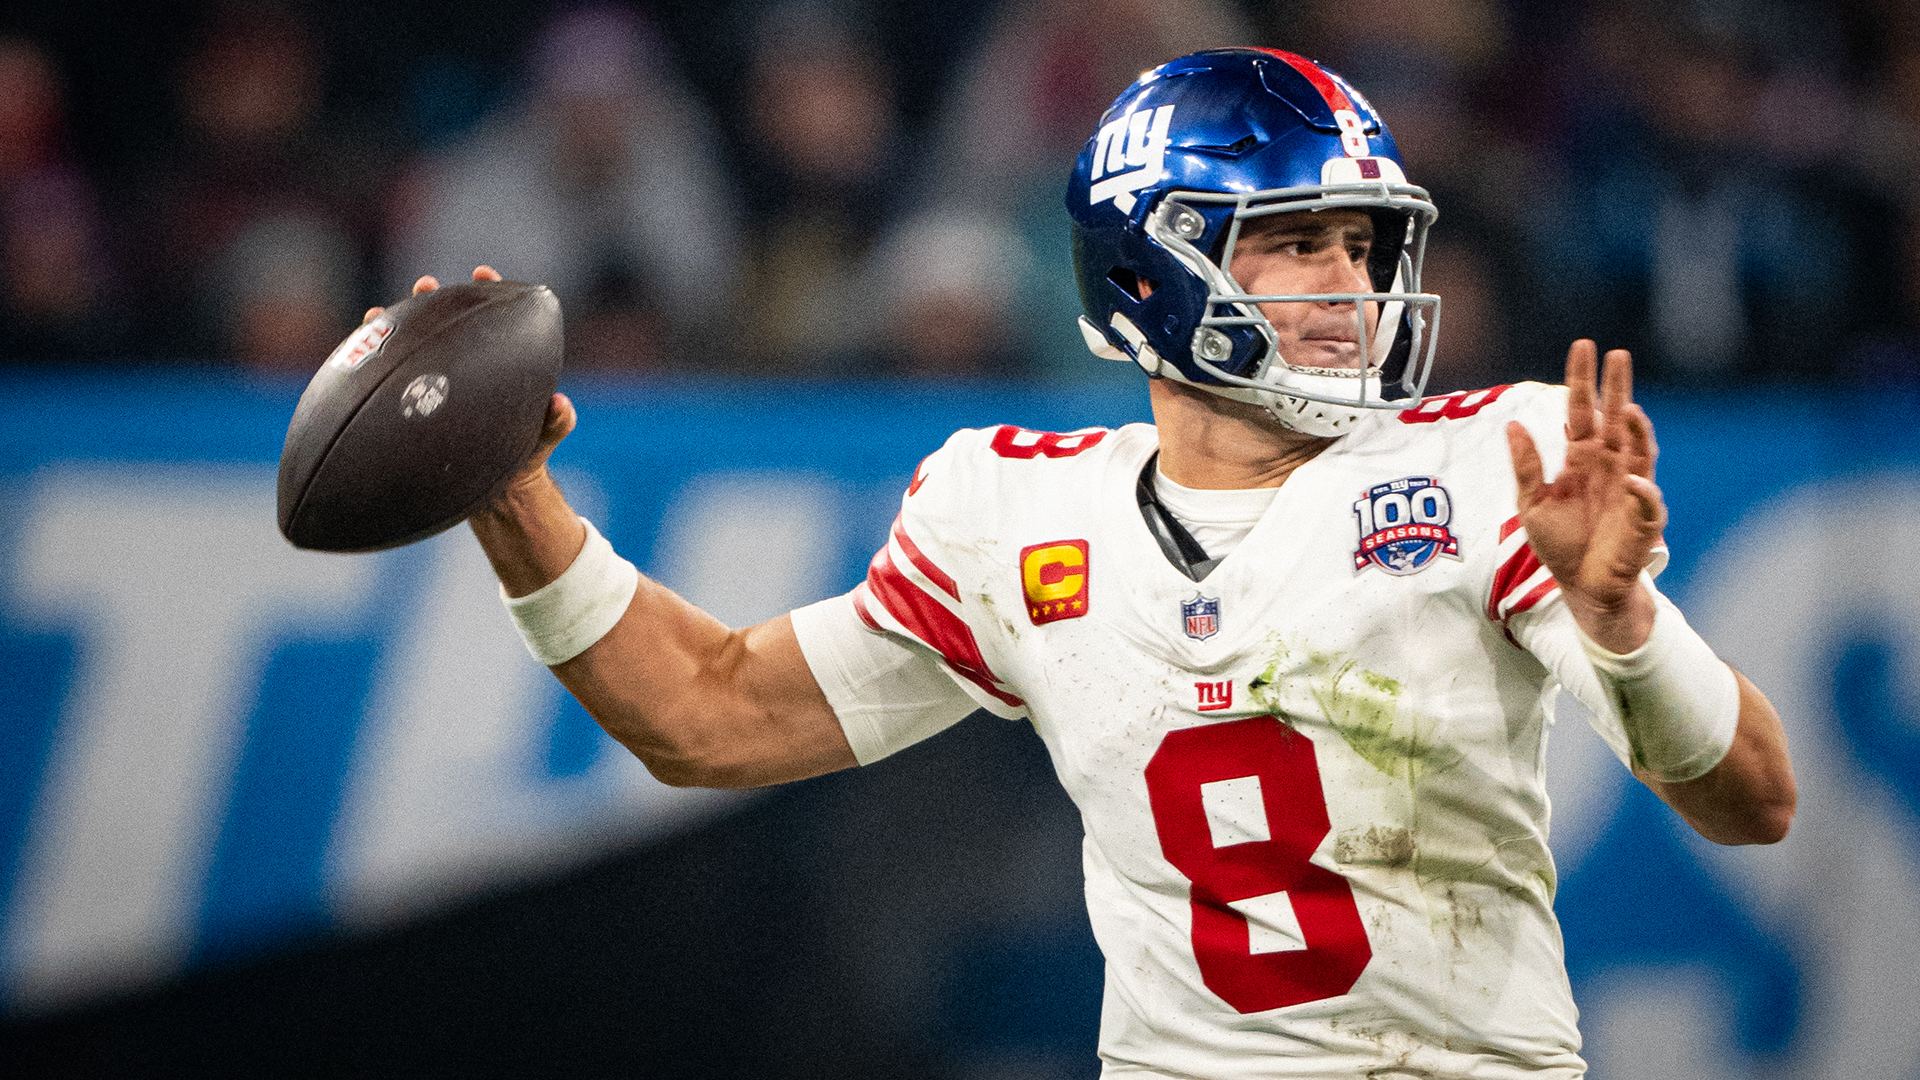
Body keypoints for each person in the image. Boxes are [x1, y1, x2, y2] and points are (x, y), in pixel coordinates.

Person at [391, 48, 1795, 1080]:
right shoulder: (1009, 514)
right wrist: (515, 506)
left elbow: (1754, 803)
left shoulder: (1497, 463)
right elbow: (704, 716)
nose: (1351, 291)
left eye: (1365, 249)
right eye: (1295, 243)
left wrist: (1624, 629)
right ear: (1151, 272)